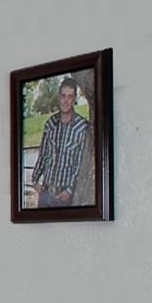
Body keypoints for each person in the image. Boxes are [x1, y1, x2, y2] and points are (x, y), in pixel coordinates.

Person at [29, 76, 92, 208]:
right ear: (59, 97)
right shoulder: (50, 124)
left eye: (70, 96)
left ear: (74, 99)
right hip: (45, 194)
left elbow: (80, 164)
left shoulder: (82, 127)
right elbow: (43, 154)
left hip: (65, 197)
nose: (66, 100)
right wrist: (35, 180)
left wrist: (69, 190)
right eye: (63, 96)